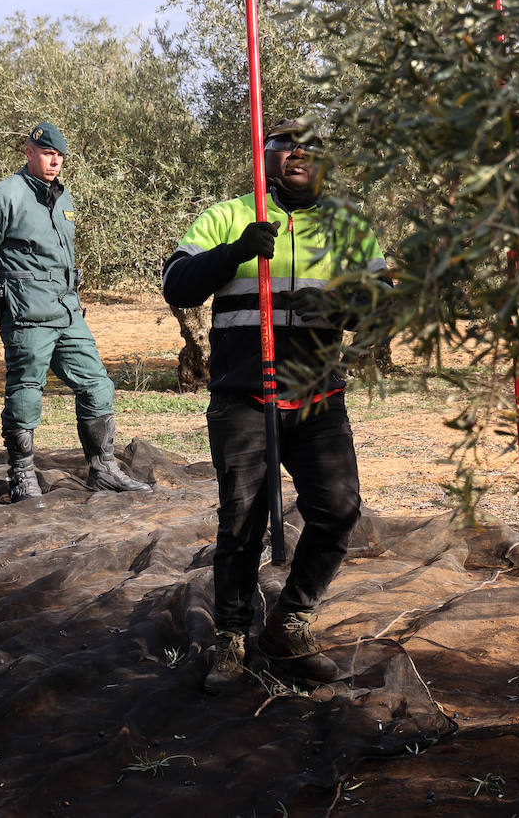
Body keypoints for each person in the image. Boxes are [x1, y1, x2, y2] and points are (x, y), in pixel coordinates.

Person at [161, 119, 386, 693]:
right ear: (266, 157)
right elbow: (177, 285)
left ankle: (289, 623)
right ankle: (232, 638)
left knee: (338, 509)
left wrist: (343, 303)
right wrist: (236, 251)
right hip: (243, 395)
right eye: (284, 145)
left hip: (317, 396)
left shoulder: (349, 227)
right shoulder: (227, 216)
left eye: (311, 146)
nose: (298, 155)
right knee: (242, 522)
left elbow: (382, 310)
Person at [0, 121, 149, 502]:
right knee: (26, 392)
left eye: (60, 156)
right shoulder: (4, 197)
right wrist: (2, 304)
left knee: (97, 385)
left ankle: (103, 468)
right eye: (48, 154)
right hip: (26, 315)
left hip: (66, 312)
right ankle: (22, 475)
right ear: (29, 153)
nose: (55, 162)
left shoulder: (63, 199)